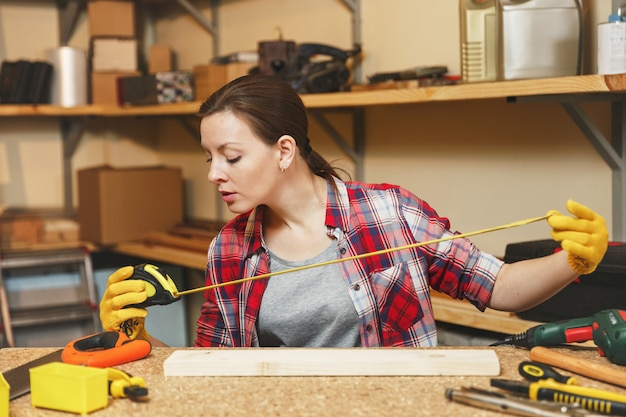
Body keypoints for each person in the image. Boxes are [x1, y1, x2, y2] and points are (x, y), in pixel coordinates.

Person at [99, 74, 609, 348]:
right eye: (209, 158)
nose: (214, 173)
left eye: (230, 157)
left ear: (283, 150)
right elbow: (211, 371)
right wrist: (138, 340)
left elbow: (497, 287)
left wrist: (574, 260)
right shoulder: (228, 248)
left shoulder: (390, 212)